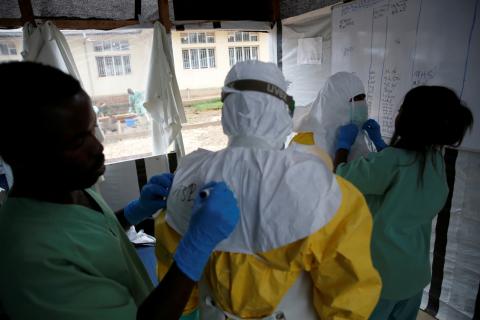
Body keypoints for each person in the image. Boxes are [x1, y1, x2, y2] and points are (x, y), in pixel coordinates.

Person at [0, 61, 240, 320]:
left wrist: (132, 213)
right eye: (77, 141)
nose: (98, 147)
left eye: (92, 129)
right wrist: (196, 246)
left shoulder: (67, 187)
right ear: (19, 154)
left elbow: (86, 235)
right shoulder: (33, 264)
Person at [155, 61, 382, 319]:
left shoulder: (186, 178)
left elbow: (180, 292)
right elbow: (350, 296)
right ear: (283, 111)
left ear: (226, 111)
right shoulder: (327, 193)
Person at [333, 86, 474, 319]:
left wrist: (342, 146)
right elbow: (402, 174)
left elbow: (342, 177)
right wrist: (380, 145)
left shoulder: (391, 162)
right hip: (413, 277)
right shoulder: (435, 161)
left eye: (400, 110)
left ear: (410, 120)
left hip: (380, 279)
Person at [291, 72, 375, 169]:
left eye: (363, 98)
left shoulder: (358, 139)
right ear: (337, 102)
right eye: (357, 99)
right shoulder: (303, 145)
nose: (362, 104)